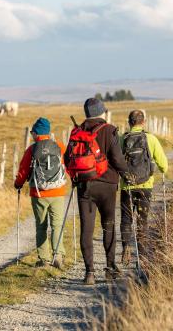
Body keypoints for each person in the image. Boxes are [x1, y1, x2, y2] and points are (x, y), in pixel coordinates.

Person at [65, 98, 129, 285]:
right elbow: (117, 159)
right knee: (108, 225)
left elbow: (68, 158)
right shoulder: (109, 130)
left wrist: (75, 177)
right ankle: (110, 268)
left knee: (87, 229)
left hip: (84, 186)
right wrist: (127, 174)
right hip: (107, 186)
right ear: (102, 112)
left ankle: (89, 273)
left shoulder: (77, 131)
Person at [14, 117, 68, 269]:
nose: (32, 135)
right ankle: (58, 255)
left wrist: (18, 184)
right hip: (58, 192)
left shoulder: (32, 149)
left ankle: (44, 259)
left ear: (37, 133)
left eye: (33, 132)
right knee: (57, 225)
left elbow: (23, 171)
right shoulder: (59, 146)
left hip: (39, 194)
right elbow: (68, 165)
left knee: (41, 226)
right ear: (48, 132)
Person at [119, 110, 168, 265]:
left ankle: (126, 246)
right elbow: (164, 165)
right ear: (143, 122)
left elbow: (115, 161)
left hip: (127, 186)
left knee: (126, 219)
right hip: (145, 186)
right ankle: (142, 254)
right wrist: (162, 170)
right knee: (142, 220)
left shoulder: (122, 139)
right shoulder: (151, 139)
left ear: (129, 122)